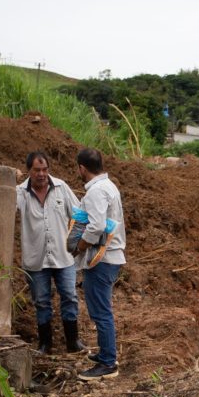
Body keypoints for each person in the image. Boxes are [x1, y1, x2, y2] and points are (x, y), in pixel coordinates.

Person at [15, 151, 84, 354]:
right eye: (37, 170)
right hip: (36, 259)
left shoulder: (61, 188)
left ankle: (73, 341)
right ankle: (45, 344)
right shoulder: (20, 193)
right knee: (41, 301)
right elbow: (5, 210)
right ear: (29, 171)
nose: (41, 174)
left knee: (70, 296)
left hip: (64, 257)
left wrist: (75, 244)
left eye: (45, 170)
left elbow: (80, 215)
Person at [73, 147, 126, 381]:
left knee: (100, 311)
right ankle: (106, 353)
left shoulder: (96, 191)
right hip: (109, 257)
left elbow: (96, 226)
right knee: (101, 309)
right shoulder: (109, 186)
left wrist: (79, 246)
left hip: (102, 259)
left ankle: (108, 363)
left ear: (82, 168)